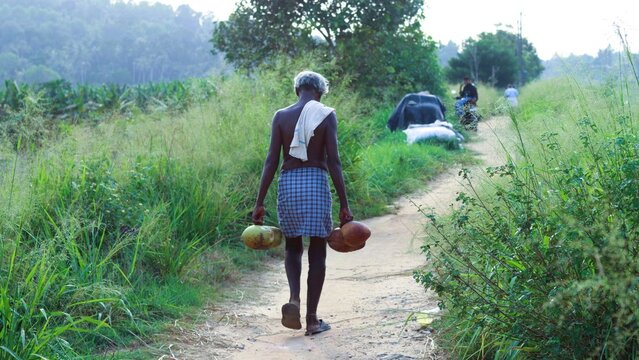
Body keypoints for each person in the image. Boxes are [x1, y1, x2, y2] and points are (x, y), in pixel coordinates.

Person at [252, 70, 353, 336]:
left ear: (298, 89)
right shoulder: (326, 114)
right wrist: (344, 203)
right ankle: (311, 320)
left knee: (293, 247)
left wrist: (259, 201)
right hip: (316, 183)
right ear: (319, 92)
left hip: (289, 184)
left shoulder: (281, 116)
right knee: (318, 251)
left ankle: (294, 298)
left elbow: (271, 161)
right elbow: (334, 161)